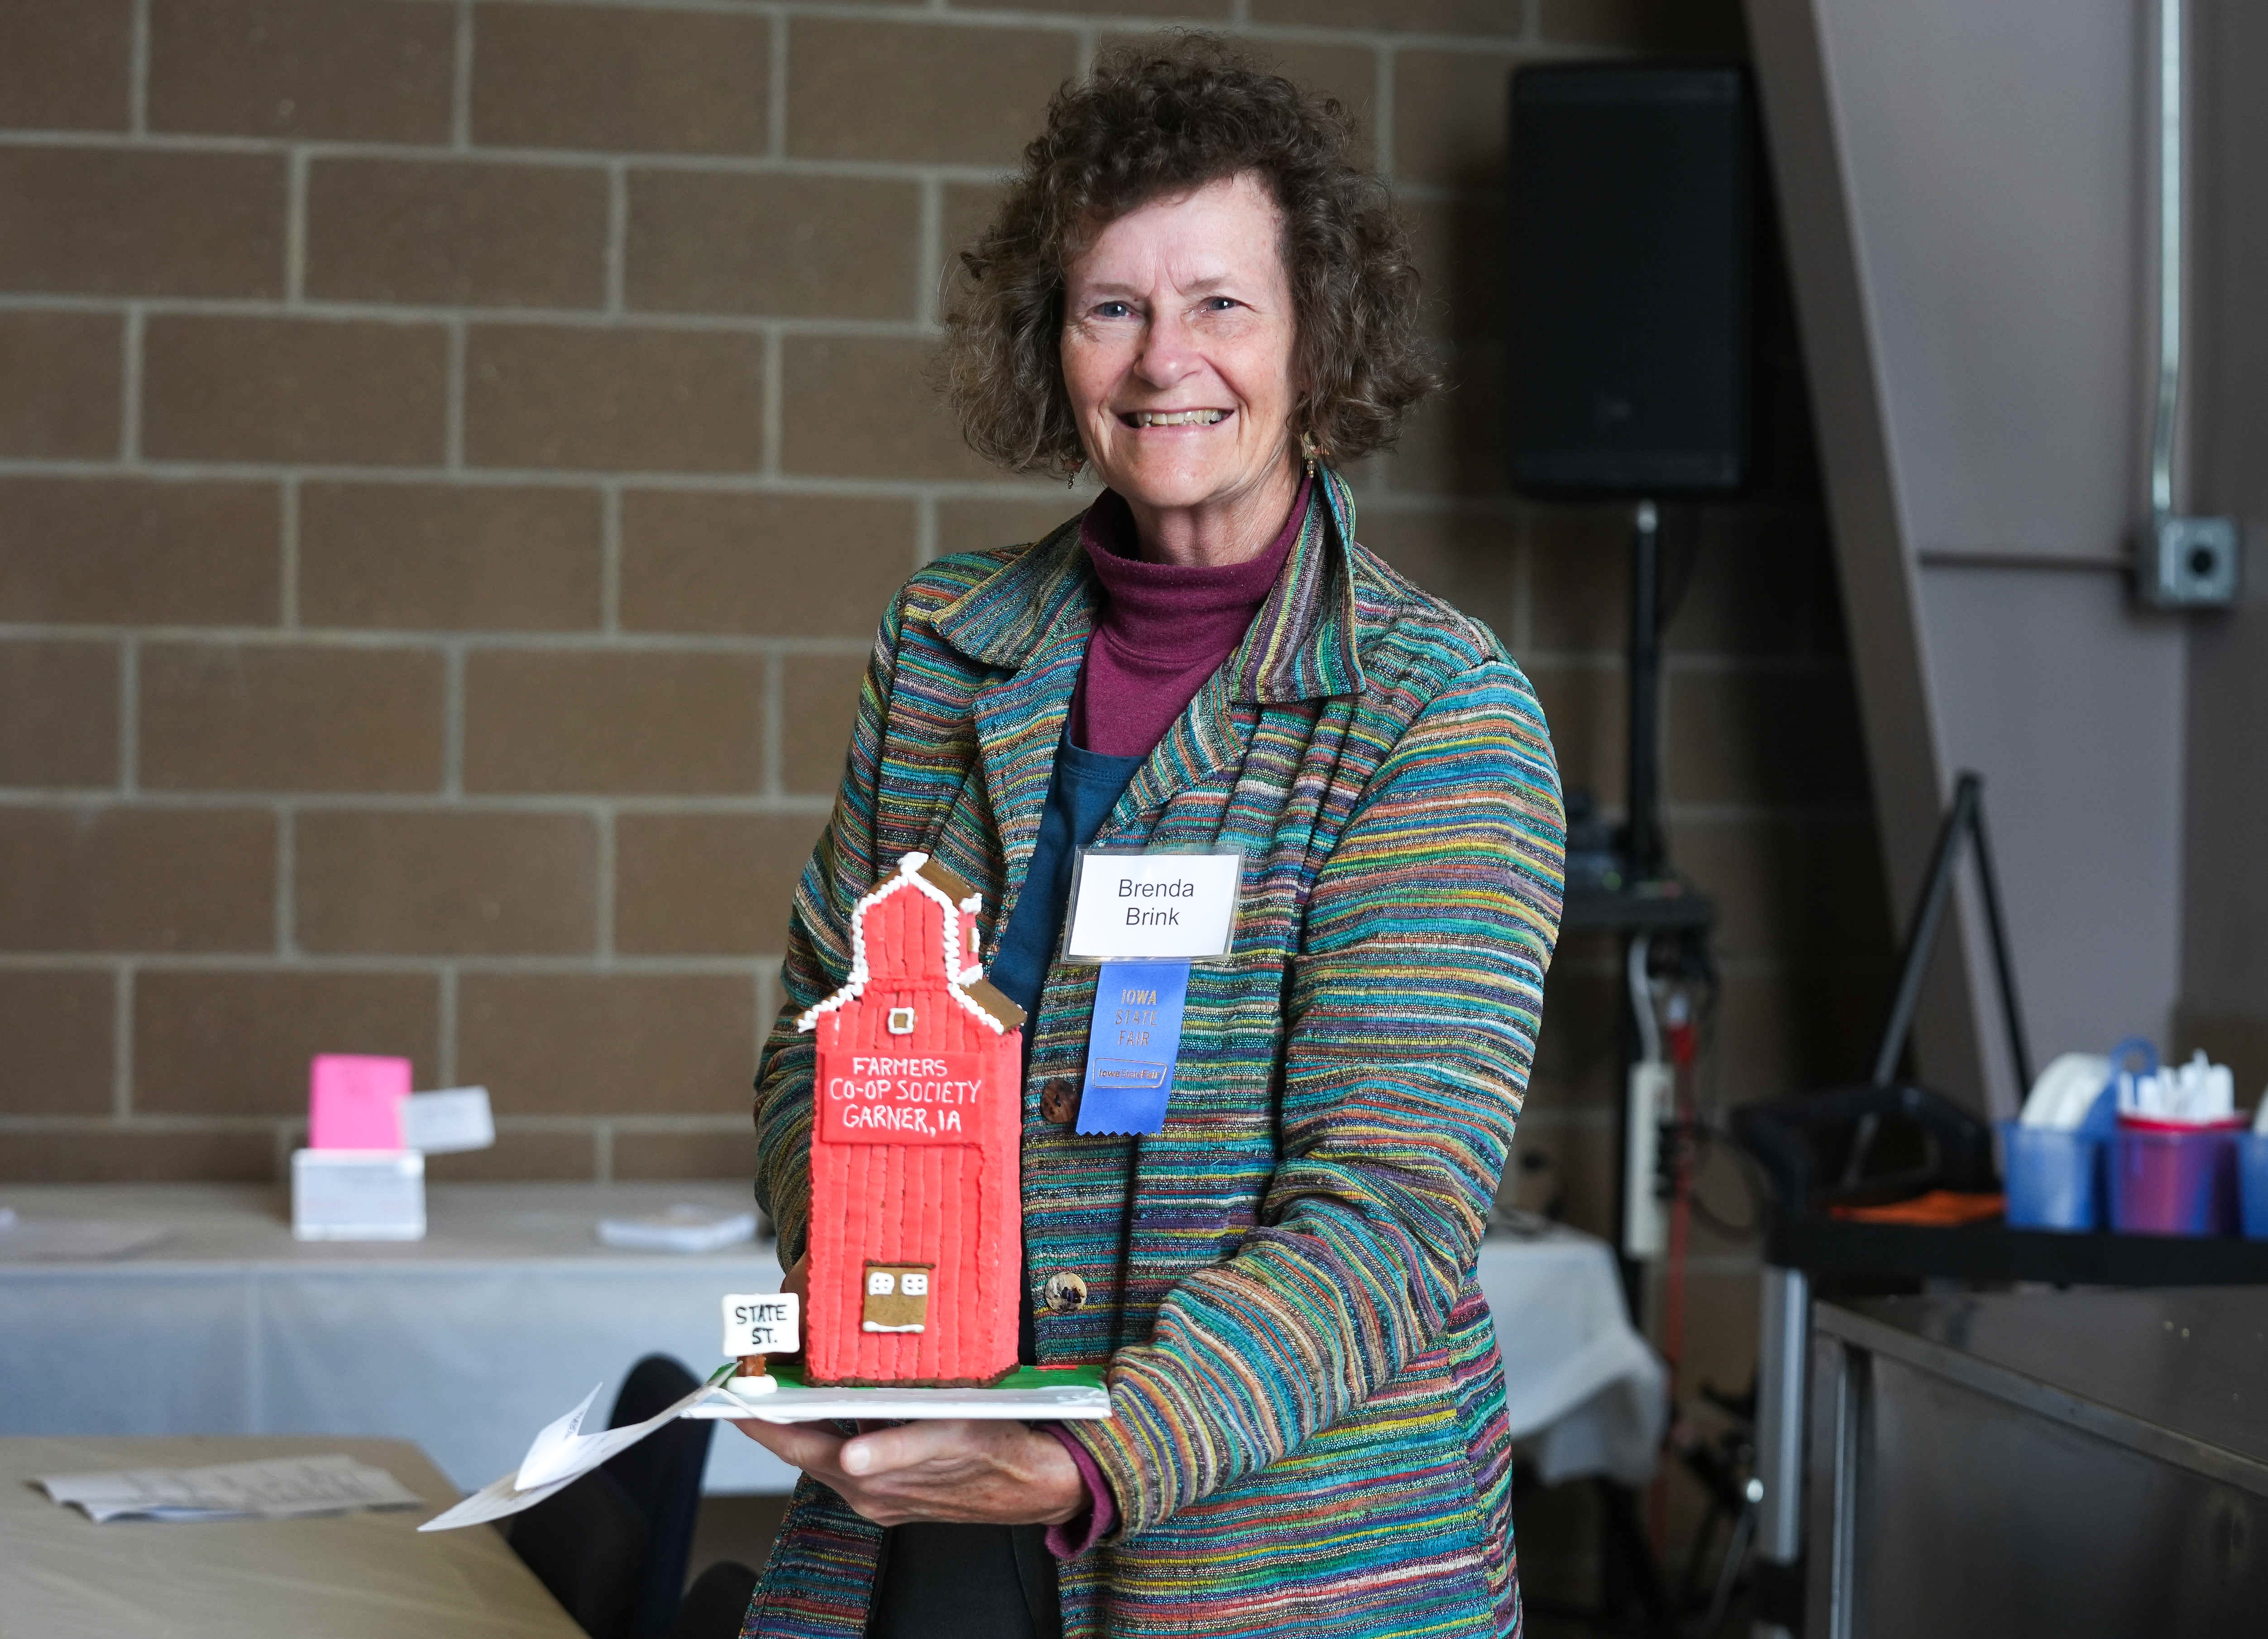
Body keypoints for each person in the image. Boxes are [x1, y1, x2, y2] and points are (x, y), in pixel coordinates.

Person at [737, 38, 1563, 1639]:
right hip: (934, 1520)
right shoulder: (944, 644)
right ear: (1053, 344)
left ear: (1315, 341)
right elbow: (812, 1052)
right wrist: (870, 1305)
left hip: (1280, 1565)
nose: (1160, 359)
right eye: (1111, 305)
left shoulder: (1434, 712)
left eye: (1219, 304)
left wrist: (1082, 1453)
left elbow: (1383, 1210)